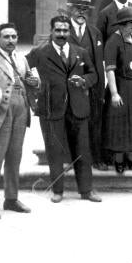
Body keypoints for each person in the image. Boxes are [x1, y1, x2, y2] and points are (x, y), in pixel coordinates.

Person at [27, 15, 101, 203]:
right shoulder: (39, 52)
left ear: (69, 31)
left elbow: (94, 74)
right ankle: (57, 191)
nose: (61, 34)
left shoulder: (81, 52)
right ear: (51, 31)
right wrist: (33, 90)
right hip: (52, 108)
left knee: (83, 150)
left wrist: (84, 81)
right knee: (54, 150)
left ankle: (86, 190)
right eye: (58, 30)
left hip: (78, 108)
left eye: (65, 30)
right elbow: (23, 71)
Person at [103, 7, 132, 174]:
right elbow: (110, 69)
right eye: (130, 23)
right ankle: (119, 159)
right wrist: (114, 93)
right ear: (121, 24)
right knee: (121, 123)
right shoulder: (113, 41)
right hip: (121, 87)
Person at [0, 22, 39, 217]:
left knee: (15, 155)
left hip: (21, 108)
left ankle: (11, 199)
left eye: (14, 37)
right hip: (2, 110)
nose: (11, 41)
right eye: (6, 37)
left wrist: (34, 82)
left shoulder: (21, 58)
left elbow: (32, 81)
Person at [66, 0, 106, 170]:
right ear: (71, 10)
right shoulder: (64, 31)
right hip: (70, 88)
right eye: (77, 9)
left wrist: (101, 90)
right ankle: (72, 160)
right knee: (71, 124)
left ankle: (96, 158)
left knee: (94, 122)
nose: (81, 13)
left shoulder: (95, 33)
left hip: (91, 86)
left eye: (85, 10)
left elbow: (99, 64)